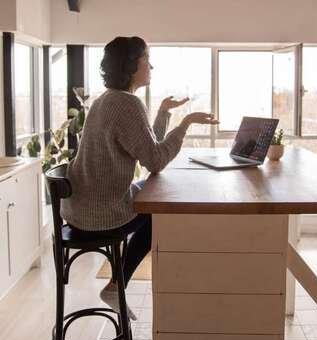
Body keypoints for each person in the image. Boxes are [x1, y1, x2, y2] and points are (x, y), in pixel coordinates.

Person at [61, 36, 219, 317]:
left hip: (78, 209)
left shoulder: (106, 100)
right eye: (147, 59)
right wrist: (185, 124)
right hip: (101, 215)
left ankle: (117, 283)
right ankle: (117, 284)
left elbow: (147, 147)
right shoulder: (127, 104)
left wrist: (162, 113)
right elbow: (156, 161)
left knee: (156, 192)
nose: (151, 66)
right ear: (132, 64)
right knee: (163, 207)